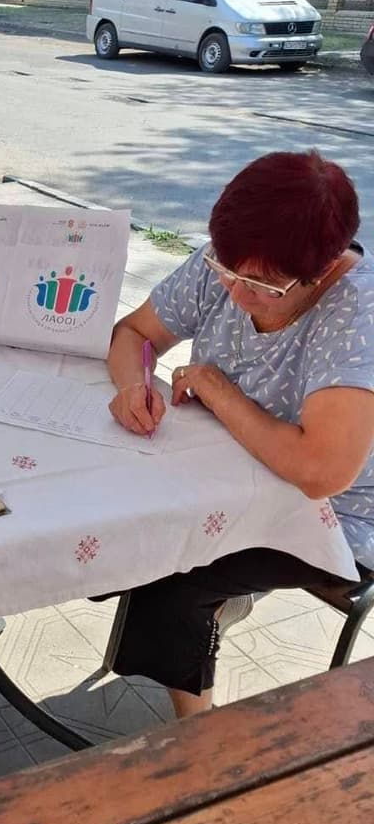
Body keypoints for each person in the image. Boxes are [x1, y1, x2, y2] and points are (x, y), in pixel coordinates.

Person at [107, 150, 374, 718]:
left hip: (339, 515)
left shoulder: (359, 313)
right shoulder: (226, 264)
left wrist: (214, 388)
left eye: (262, 286)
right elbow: (133, 333)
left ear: (323, 271)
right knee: (112, 517)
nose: (235, 292)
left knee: (172, 574)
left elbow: (322, 472)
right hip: (225, 471)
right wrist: (132, 387)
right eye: (227, 271)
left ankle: (197, 740)